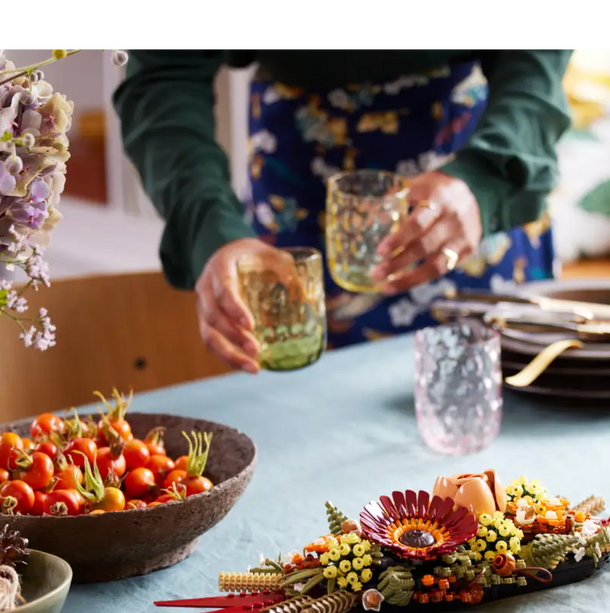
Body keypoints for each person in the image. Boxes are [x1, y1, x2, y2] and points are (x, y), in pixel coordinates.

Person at [114, 48, 574, 373]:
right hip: (301, 175)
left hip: (476, 162)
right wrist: (211, 228)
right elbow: (163, 75)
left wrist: (487, 175)